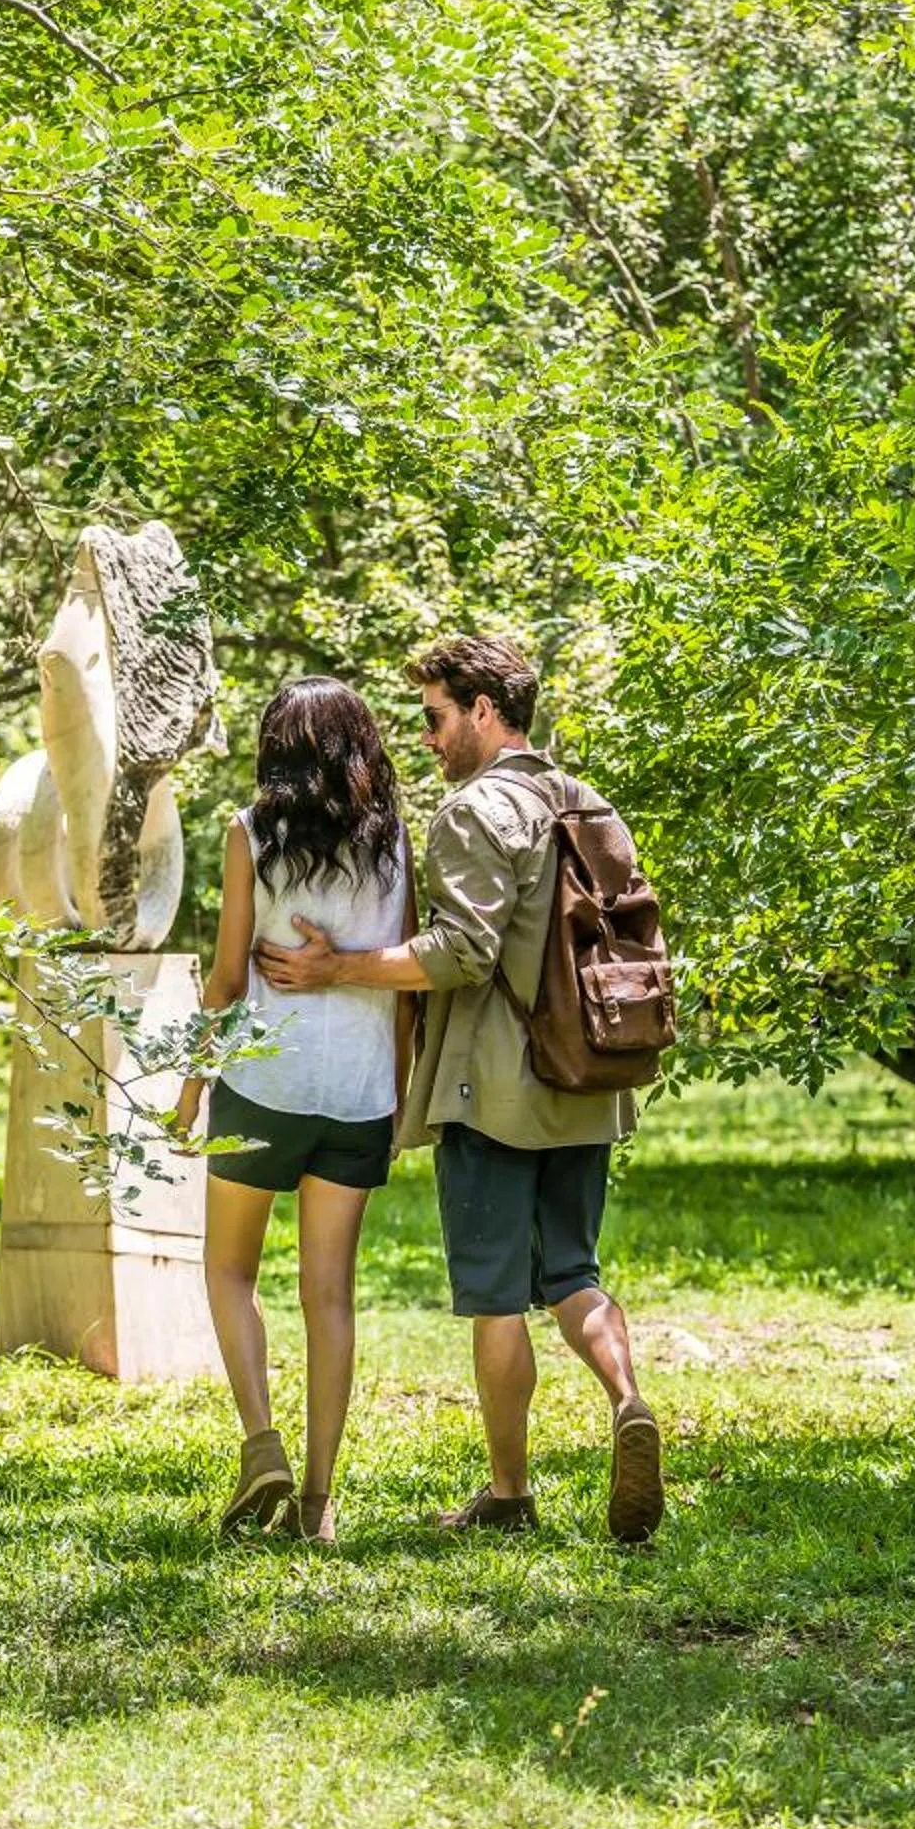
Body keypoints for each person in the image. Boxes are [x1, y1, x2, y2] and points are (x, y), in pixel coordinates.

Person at [254, 635, 665, 1544]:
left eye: (438, 717)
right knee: (573, 1271)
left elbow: (460, 954)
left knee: (492, 1294)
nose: (429, 740)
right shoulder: (588, 802)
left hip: (496, 1085)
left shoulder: (476, 812)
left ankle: (511, 1494)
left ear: (484, 709)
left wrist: (339, 969)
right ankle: (628, 1400)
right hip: (588, 1077)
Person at [170, 676, 415, 1546]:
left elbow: (228, 979)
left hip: (262, 1085)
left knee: (229, 1271)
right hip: (358, 1095)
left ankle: (261, 1445)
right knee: (331, 1298)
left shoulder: (250, 834)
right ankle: (317, 1504)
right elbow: (406, 974)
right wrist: (399, 1095)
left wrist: (190, 1088)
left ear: (276, 747)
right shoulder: (393, 844)